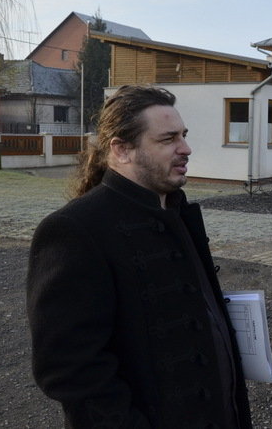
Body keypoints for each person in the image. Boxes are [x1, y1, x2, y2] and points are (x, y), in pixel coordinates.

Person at [26, 85, 252, 428]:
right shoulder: (74, 230)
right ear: (122, 149)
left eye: (184, 136)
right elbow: (70, 369)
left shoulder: (177, 212)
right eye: (168, 139)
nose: (185, 148)